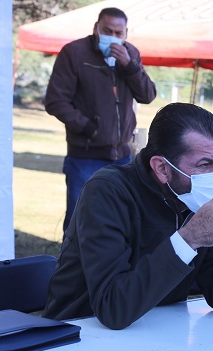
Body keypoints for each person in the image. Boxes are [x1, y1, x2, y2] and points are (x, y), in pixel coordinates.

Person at [43, 103, 213, 330]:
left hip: (160, 335)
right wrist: (188, 240)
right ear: (161, 168)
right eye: (205, 164)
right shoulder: (107, 190)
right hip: (79, 334)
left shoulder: (192, 197)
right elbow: (112, 308)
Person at [45, 7, 157, 233]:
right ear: (96, 28)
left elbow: (148, 95)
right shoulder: (75, 53)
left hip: (122, 156)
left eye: (118, 33)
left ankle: (112, 266)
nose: (113, 37)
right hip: (85, 155)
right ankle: (71, 267)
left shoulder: (131, 54)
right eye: (107, 31)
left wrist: (130, 65)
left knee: (121, 218)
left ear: (126, 33)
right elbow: (55, 101)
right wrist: (89, 128)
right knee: (80, 219)